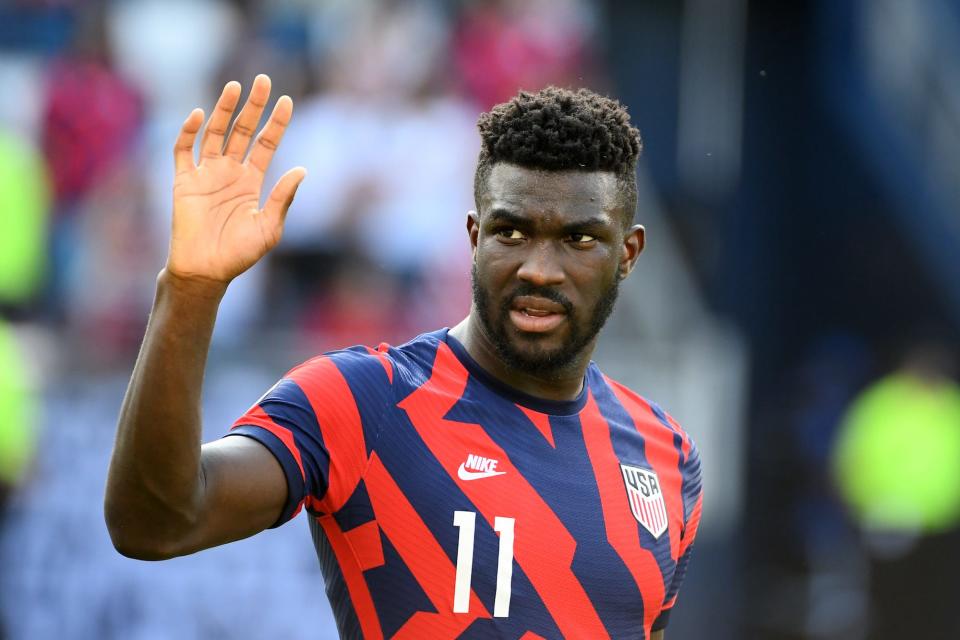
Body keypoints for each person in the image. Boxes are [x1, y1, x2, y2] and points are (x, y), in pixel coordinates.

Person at [105, 74, 703, 640]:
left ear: (627, 253)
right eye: (511, 233)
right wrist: (189, 289)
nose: (539, 269)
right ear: (474, 237)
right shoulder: (363, 401)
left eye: (578, 239)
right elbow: (157, 522)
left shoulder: (665, 456)